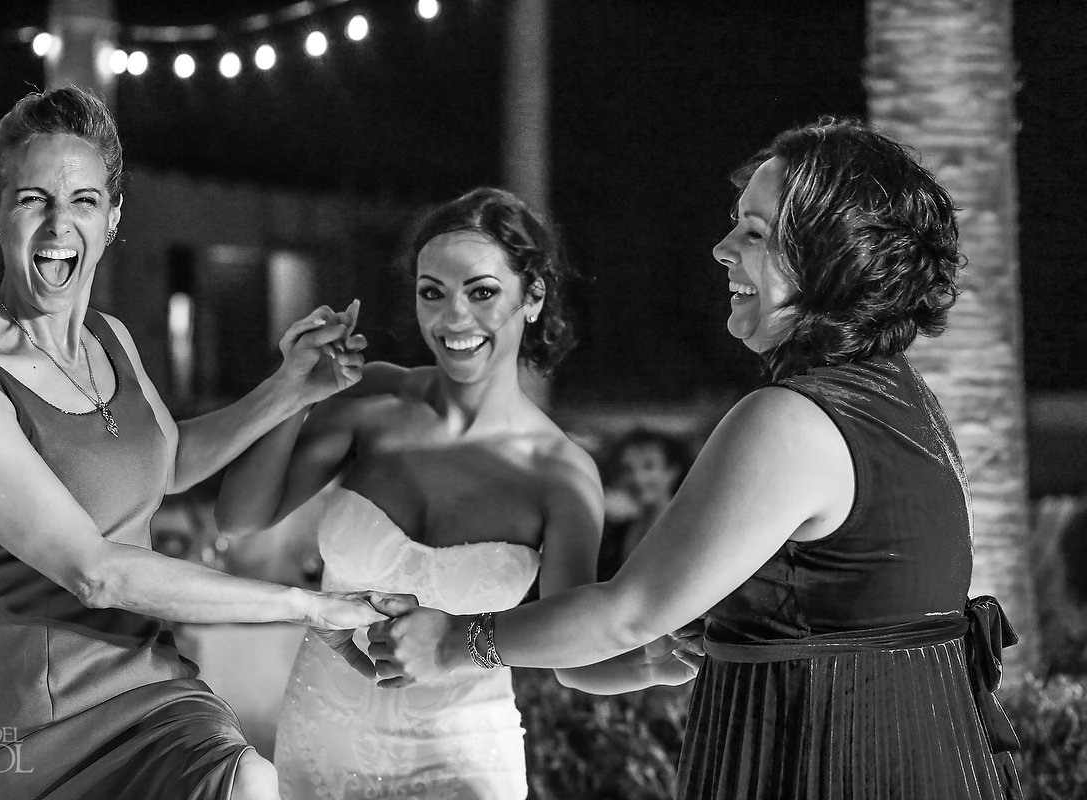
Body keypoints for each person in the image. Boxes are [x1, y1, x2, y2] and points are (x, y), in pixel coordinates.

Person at [368, 119, 1023, 800]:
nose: (720, 249)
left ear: (834, 257)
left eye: (756, 234)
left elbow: (628, 611)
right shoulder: (902, 401)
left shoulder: (791, 419)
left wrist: (457, 642)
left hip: (825, 767)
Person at [0, 86, 399, 800]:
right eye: (33, 199)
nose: (57, 226)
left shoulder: (112, 339)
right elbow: (96, 572)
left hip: (151, 694)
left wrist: (291, 389)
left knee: (253, 784)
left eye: (84, 202)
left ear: (114, 217)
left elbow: (166, 462)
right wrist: (310, 607)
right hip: (13, 731)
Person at [216, 187, 689, 799]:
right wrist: (292, 393)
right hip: (319, 743)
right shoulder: (372, 402)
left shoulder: (560, 473)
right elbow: (240, 517)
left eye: (482, 292)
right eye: (432, 293)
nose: (453, 319)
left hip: (465, 758)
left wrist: (647, 665)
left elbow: (568, 652)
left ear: (534, 295)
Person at [597, 428, 691, 580]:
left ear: (672, 471)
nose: (637, 478)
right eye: (627, 469)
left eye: (648, 467)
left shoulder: (691, 528)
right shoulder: (617, 533)